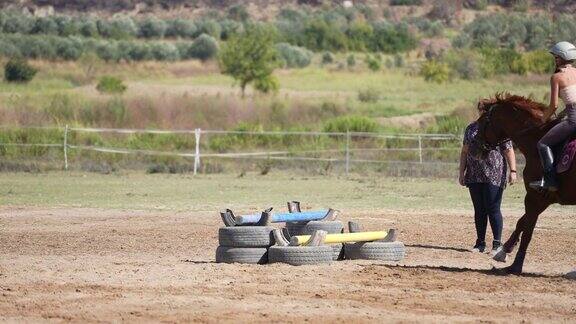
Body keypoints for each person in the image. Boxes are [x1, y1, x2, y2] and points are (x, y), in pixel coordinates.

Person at [459, 105, 517, 253]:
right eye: (482, 109)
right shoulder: (471, 128)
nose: (483, 112)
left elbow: (509, 150)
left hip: (495, 173)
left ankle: (497, 244)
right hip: (474, 174)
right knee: (479, 209)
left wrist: (513, 171)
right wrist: (461, 172)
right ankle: (480, 243)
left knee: (493, 208)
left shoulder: (499, 128)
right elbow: (465, 151)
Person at [529, 41, 576, 192]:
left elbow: (554, 105)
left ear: (562, 57)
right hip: (570, 113)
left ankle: (550, 181)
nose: (555, 59)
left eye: (556, 57)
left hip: (573, 120)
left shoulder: (556, 77)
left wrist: (544, 119)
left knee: (543, 144)